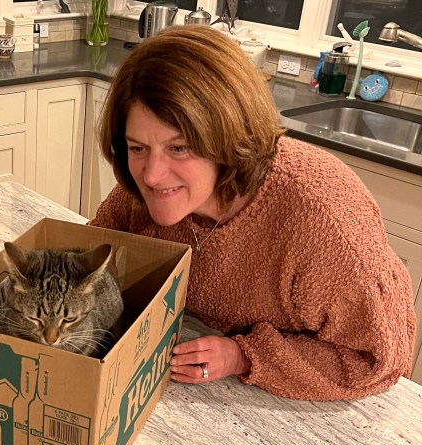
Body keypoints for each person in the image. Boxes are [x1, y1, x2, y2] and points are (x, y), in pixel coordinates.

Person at [90, 26, 416, 401]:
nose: (151, 175)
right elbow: (89, 262)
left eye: (179, 148)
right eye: (137, 148)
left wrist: (243, 356)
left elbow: (378, 359)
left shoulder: (321, 222)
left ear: (228, 138)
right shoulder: (143, 192)